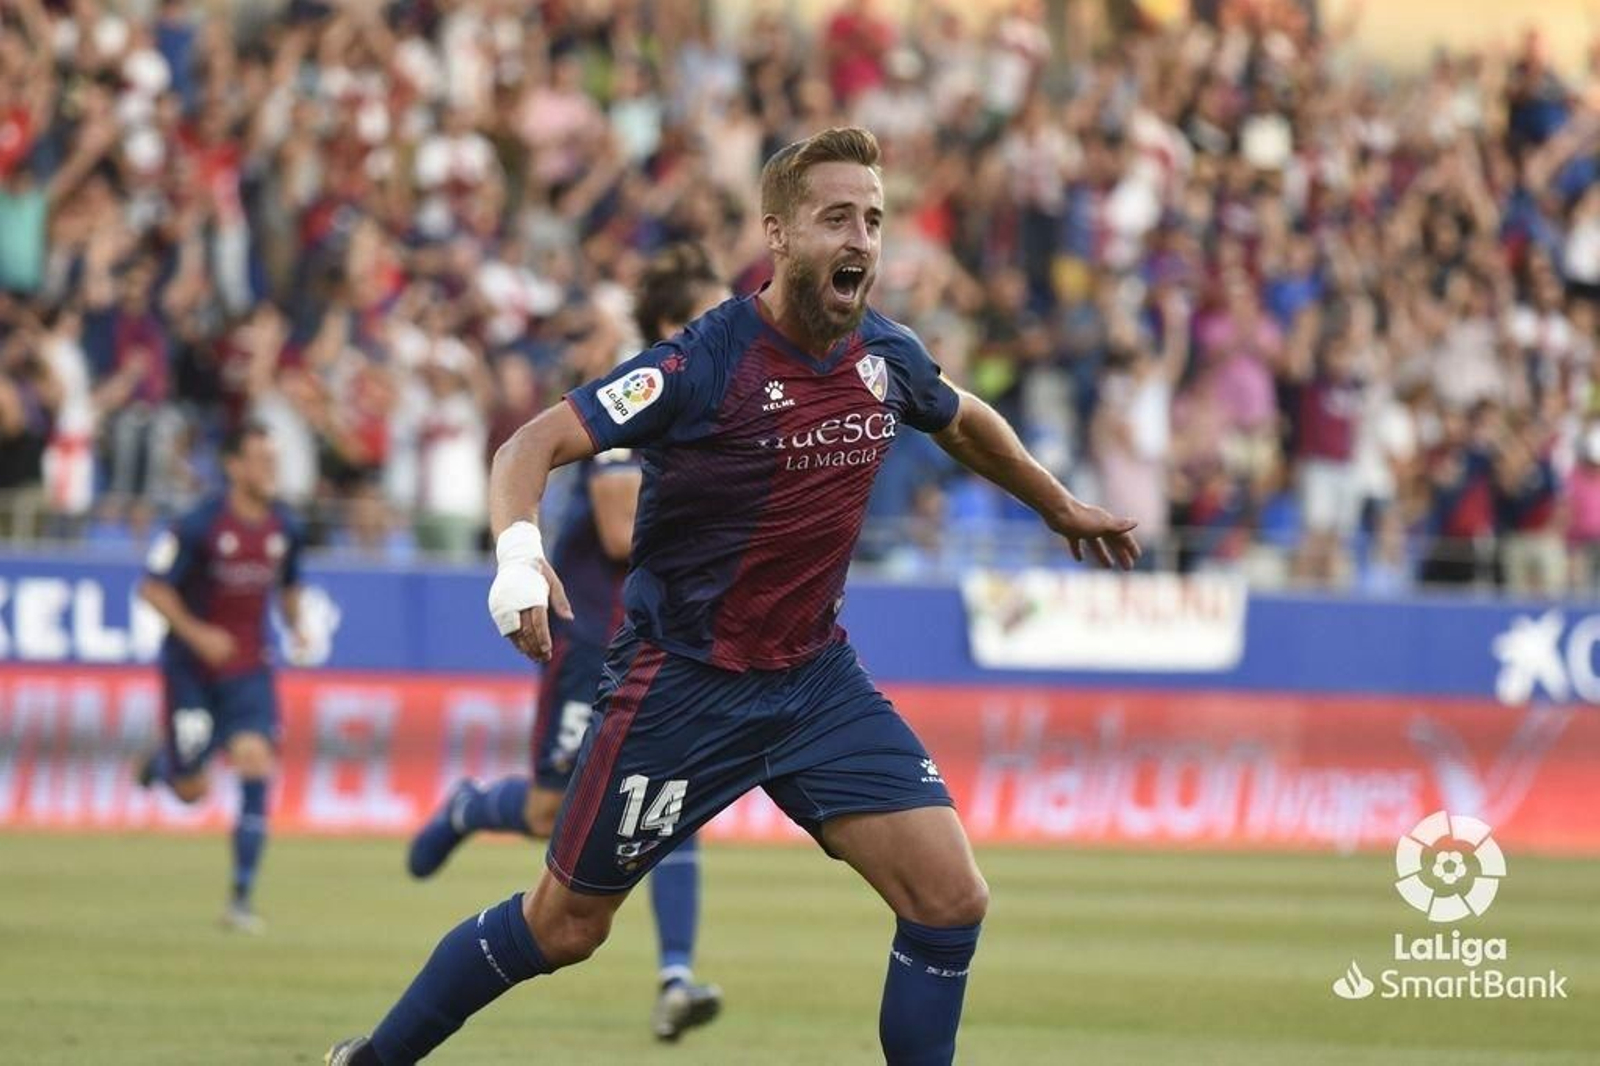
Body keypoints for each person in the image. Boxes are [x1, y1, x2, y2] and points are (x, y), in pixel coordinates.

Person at [325, 126, 1138, 1066]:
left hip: (813, 684)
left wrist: (1059, 504)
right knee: (564, 928)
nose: (861, 241)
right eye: (837, 218)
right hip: (684, 686)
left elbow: (966, 422)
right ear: (779, 235)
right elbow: (527, 447)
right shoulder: (701, 364)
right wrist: (516, 555)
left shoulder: (884, 354)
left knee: (950, 900)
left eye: (873, 220)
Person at [404, 243, 729, 1041]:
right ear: (665, 325)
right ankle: (474, 805)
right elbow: (622, 534)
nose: (733, 325)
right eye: (712, 311)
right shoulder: (645, 399)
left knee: (674, 807)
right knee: (554, 806)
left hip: (666, 645)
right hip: (593, 637)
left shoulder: (720, 404)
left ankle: (676, 977)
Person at [136, 421, 308, 933]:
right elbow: (153, 588)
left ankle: (240, 897)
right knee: (191, 789)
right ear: (233, 466)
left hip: (249, 668)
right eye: (259, 460)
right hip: (191, 669)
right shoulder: (197, 524)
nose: (268, 470)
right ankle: (162, 763)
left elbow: (289, 586)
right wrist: (198, 634)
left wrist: (298, 628)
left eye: (272, 460)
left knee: (255, 761)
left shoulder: (286, 527)